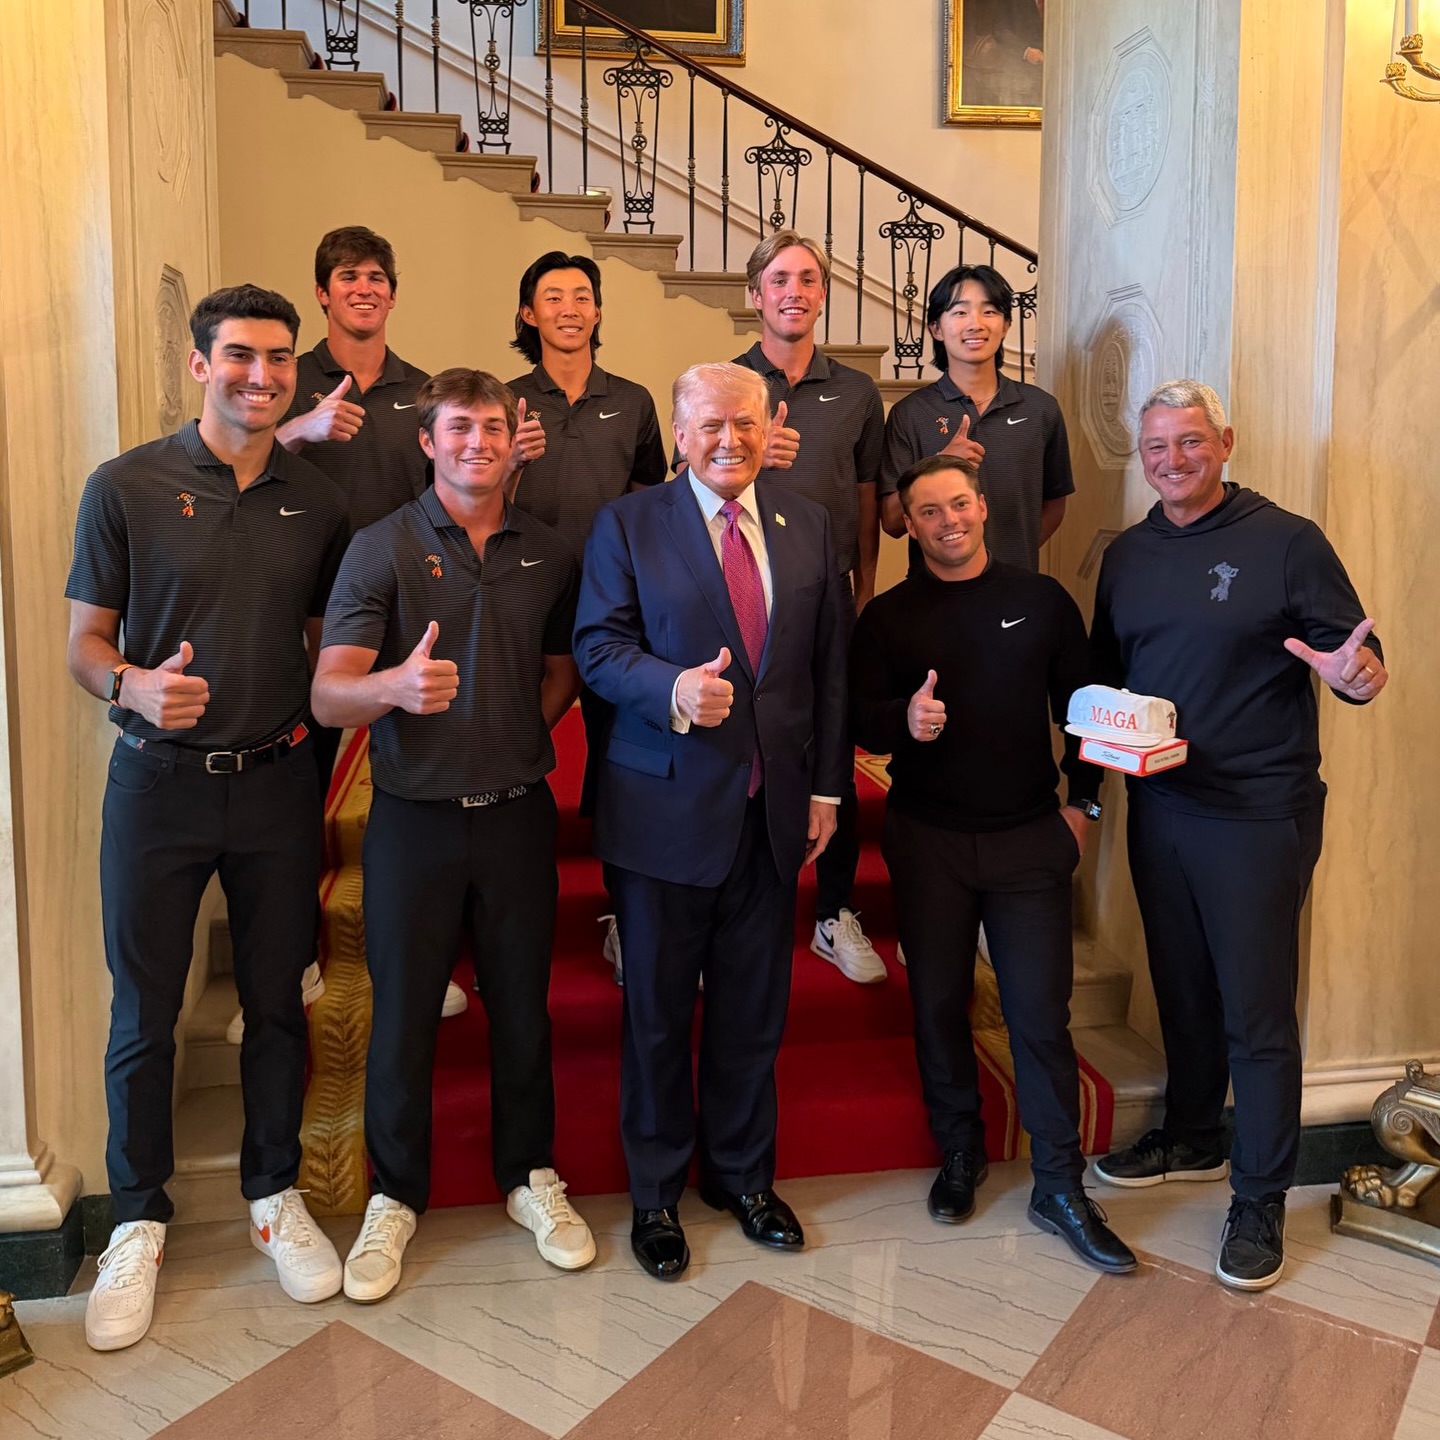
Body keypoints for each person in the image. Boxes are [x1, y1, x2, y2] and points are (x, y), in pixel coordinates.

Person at [65, 284, 350, 1351]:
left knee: (277, 1003)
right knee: (144, 1012)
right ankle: (137, 1218)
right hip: (156, 783)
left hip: (278, 782)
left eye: (280, 360)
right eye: (240, 357)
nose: (262, 376)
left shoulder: (317, 502)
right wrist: (129, 685)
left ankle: (275, 1196)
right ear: (200, 365)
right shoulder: (125, 485)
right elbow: (84, 643)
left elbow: (335, 643)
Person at [1089, 379, 1388, 1292]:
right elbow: (1109, 673)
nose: (1171, 461)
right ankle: (1191, 1133)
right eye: (1155, 449)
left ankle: (1259, 1196)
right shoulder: (1130, 553)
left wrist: (1353, 675)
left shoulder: (1286, 541)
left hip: (1259, 813)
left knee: (1257, 1012)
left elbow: (1358, 657)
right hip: (1162, 808)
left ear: (1225, 441)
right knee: (1180, 985)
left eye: (1188, 443)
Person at [312, 368, 593, 1300]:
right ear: (428, 442)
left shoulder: (551, 554)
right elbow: (327, 691)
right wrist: (390, 689)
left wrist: (509, 732)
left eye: (494, 427)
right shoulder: (379, 548)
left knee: (523, 1008)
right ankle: (397, 1197)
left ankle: (529, 1177)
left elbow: (561, 675)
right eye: (458, 428)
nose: (478, 442)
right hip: (414, 823)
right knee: (401, 1022)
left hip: (516, 816)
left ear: (518, 439)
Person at [574, 362, 849, 1280]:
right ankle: (655, 1194)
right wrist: (674, 689)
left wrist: (824, 790)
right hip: (662, 810)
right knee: (656, 1015)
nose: (728, 441)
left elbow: (826, 673)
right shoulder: (627, 523)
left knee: (751, 1014)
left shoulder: (808, 523)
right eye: (707, 427)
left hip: (771, 813)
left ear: (771, 428)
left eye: (744, 423)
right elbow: (598, 650)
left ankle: (741, 1176)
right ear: (680, 436)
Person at [850, 454, 1135, 1274]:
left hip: (1025, 841)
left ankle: (1059, 1183)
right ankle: (961, 1150)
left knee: (1039, 1016)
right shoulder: (888, 619)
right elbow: (862, 727)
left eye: (959, 505)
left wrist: (1085, 807)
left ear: (982, 507)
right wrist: (905, 718)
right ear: (908, 522)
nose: (947, 522)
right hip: (927, 839)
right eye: (928, 511)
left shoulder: (1038, 599)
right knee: (938, 1003)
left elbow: (1081, 709)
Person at [260, 225, 466, 1029]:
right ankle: (299, 954)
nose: (364, 288)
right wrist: (297, 432)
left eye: (377, 276)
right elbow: (230, 462)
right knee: (298, 798)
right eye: (348, 276)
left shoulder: (423, 386)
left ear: (392, 290)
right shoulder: (286, 377)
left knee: (416, 798)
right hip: (306, 612)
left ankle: (419, 960)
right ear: (323, 292)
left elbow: (448, 489)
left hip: (407, 610)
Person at [728, 229, 886, 985]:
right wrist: (757, 465)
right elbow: (686, 486)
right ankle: (728, 902)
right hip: (740, 594)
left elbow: (864, 498)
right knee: (741, 745)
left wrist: (866, 586)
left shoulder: (856, 392)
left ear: (823, 295)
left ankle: (834, 911)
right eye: (780, 278)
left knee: (833, 751)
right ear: (755, 293)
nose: (796, 290)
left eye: (810, 279)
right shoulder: (725, 383)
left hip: (828, 598)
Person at [880, 264, 1072, 574]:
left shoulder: (1041, 409)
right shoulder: (909, 413)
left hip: (1015, 586)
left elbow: (1054, 504)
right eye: (960, 312)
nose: (976, 324)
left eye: (989, 311)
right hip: (932, 595)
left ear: (1007, 325)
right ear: (936, 328)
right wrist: (940, 463)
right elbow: (891, 522)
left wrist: (1005, 559)